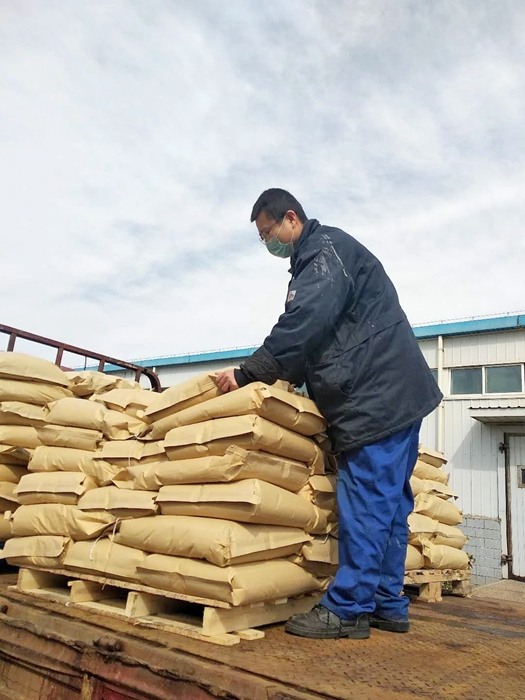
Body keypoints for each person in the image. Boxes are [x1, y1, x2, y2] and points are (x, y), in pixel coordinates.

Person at [215, 188, 442, 640]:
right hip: (397, 395)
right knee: (393, 505)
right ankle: (386, 602)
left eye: (268, 233)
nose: (268, 244)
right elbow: (321, 337)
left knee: (366, 502)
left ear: (291, 219)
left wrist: (248, 373)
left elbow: (304, 323)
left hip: (375, 397)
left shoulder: (322, 254)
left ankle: (348, 609)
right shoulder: (328, 255)